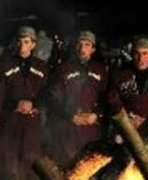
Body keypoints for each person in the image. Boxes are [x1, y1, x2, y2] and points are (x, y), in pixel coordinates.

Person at [0, 26, 49, 180]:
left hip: (32, 121)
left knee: (30, 159)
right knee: (8, 160)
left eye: (26, 42)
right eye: (19, 41)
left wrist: (35, 104)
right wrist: (13, 105)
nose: (22, 46)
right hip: (11, 120)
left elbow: (47, 93)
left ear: (33, 44)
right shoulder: (5, 64)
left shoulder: (41, 66)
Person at [45, 30, 108, 167]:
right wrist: (70, 116)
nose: (82, 49)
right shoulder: (63, 69)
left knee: (89, 166)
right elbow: (54, 98)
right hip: (69, 127)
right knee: (67, 165)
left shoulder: (101, 70)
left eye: (87, 45)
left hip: (91, 127)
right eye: (80, 44)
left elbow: (106, 97)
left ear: (93, 49)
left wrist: (96, 115)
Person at [107, 36, 148, 152]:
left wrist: (147, 121)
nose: (140, 58)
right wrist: (128, 119)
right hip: (125, 130)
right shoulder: (121, 76)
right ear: (132, 55)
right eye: (137, 54)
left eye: (145, 53)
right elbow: (112, 101)